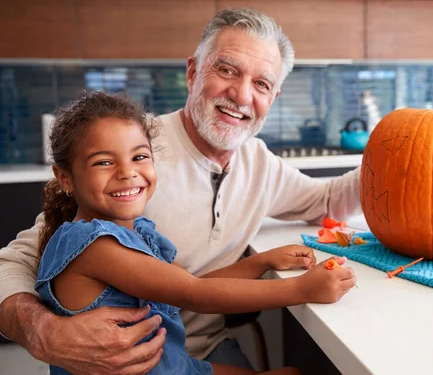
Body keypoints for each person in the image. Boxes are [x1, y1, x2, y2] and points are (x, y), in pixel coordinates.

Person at [0, 8, 362, 374]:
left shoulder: (259, 163)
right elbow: (15, 263)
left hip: (191, 355)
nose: (240, 94)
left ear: (274, 96)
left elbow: (327, 200)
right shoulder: (134, 156)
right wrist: (42, 330)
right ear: (192, 72)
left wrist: (393, 155)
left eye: (261, 84)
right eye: (226, 70)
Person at [35, 90, 354, 375]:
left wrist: (263, 262)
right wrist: (301, 290)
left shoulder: (137, 233)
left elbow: (194, 285)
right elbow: (194, 295)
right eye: (104, 162)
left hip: (173, 366)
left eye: (139, 157)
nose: (128, 172)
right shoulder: (95, 246)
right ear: (65, 178)